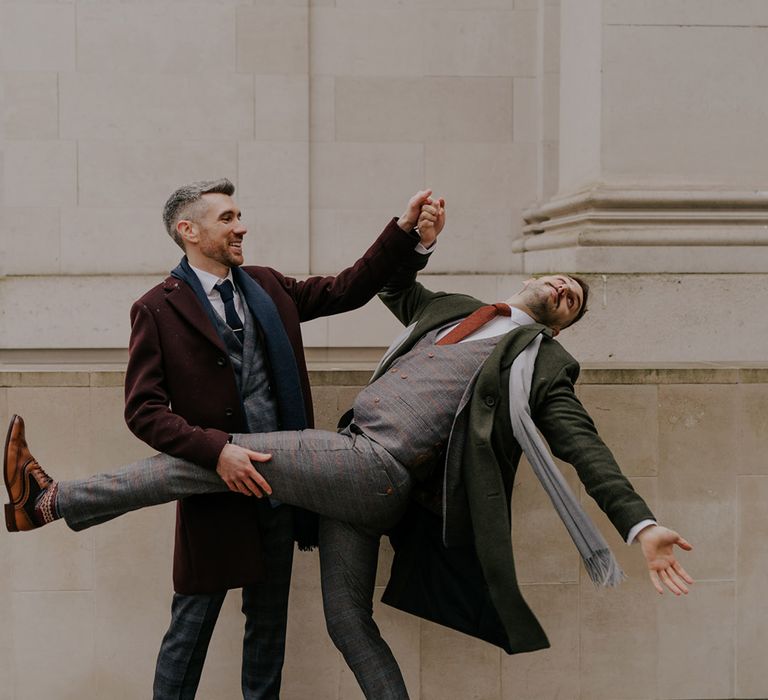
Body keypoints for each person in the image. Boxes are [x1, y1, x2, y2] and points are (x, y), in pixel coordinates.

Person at [3, 200, 693, 700]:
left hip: (374, 468)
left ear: (561, 325)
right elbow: (380, 287)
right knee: (347, 624)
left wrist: (640, 524)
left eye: (573, 303)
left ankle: (53, 500)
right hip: (352, 475)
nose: (566, 291)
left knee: (215, 458)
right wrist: (412, 239)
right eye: (564, 282)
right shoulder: (454, 309)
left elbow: (583, 445)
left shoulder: (542, 362)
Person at [2, 177, 437, 700]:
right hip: (212, 492)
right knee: (190, 630)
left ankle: (50, 499)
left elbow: (349, 287)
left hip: (281, 492)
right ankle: (49, 500)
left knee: (268, 632)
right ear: (188, 230)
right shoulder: (156, 308)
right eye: (227, 218)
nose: (241, 226)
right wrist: (218, 451)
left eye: (239, 216)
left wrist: (407, 232)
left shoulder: (269, 286)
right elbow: (143, 412)